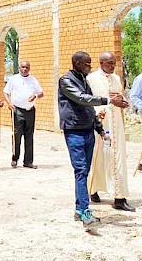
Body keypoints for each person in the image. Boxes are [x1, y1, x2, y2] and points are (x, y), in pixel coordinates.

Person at [59, 52, 127, 230]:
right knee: (81, 170)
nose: (90, 67)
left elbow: (89, 108)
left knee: (84, 171)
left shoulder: (84, 80)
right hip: (74, 131)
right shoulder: (66, 81)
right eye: (88, 64)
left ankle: (79, 209)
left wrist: (100, 129)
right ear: (78, 64)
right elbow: (82, 99)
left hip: (88, 130)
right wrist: (108, 100)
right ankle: (85, 212)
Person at [88, 52, 135, 212]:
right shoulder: (91, 79)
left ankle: (120, 197)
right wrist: (99, 111)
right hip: (100, 123)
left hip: (117, 124)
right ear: (101, 62)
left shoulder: (116, 78)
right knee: (98, 155)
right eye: (109, 63)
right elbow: (87, 99)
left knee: (118, 156)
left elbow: (119, 96)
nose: (113, 66)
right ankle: (93, 189)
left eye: (114, 63)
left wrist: (122, 102)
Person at [3, 61, 44, 168]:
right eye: (23, 67)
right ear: (19, 68)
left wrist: (35, 95)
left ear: (29, 69)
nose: (25, 69)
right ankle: (15, 159)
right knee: (17, 135)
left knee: (29, 136)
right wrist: (9, 103)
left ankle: (28, 161)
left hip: (30, 110)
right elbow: (6, 92)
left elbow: (41, 93)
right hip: (17, 111)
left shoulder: (33, 80)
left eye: (27, 67)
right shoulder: (13, 79)